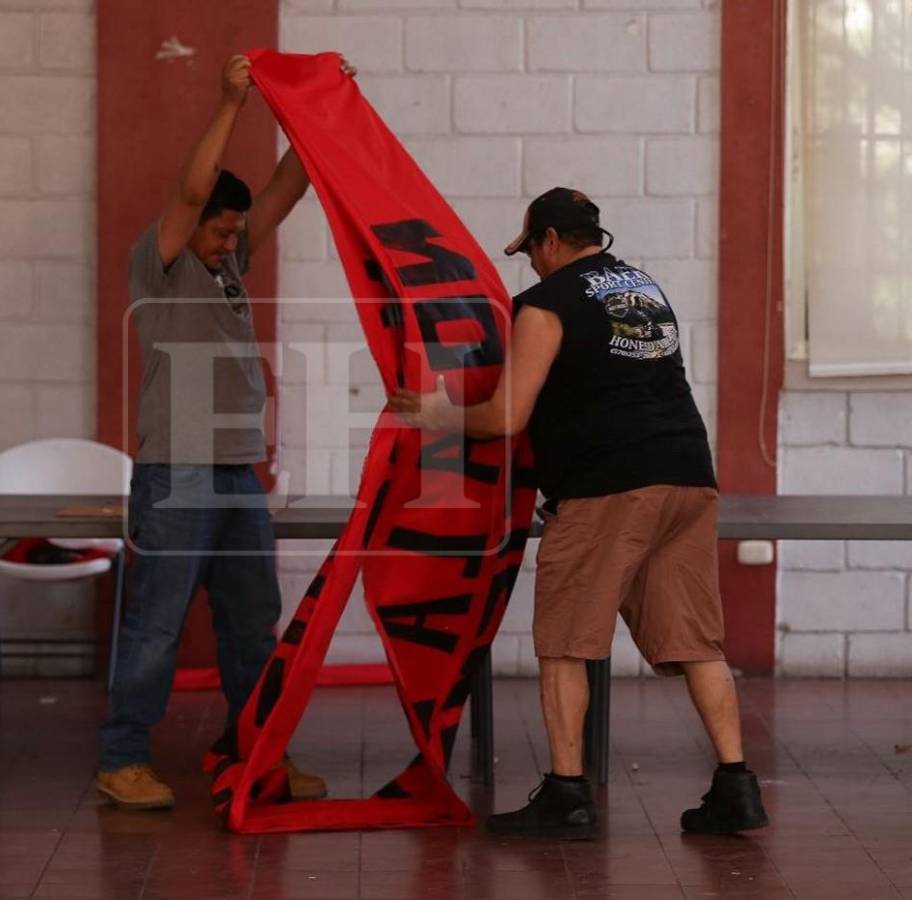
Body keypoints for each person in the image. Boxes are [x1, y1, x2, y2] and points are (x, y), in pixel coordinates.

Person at [389, 187, 769, 839]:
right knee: (695, 640)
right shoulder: (645, 288)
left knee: (566, 639)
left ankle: (567, 794)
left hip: (608, 487)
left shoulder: (546, 303)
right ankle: (737, 785)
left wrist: (437, 415)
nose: (531, 265)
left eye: (531, 251)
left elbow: (509, 415)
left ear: (551, 242)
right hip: (687, 478)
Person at [97, 54, 350, 811]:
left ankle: (256, 750)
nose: (228, 242)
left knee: (251, 624)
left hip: (238, 471)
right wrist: (230, 102)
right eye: (219, 231)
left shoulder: (230, 258)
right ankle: (122, 758)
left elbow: (288, 185)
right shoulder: (163, 260)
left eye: (235, 233)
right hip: (177, 470)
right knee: (156, 626)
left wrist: (323, 104)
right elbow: (191, 187)